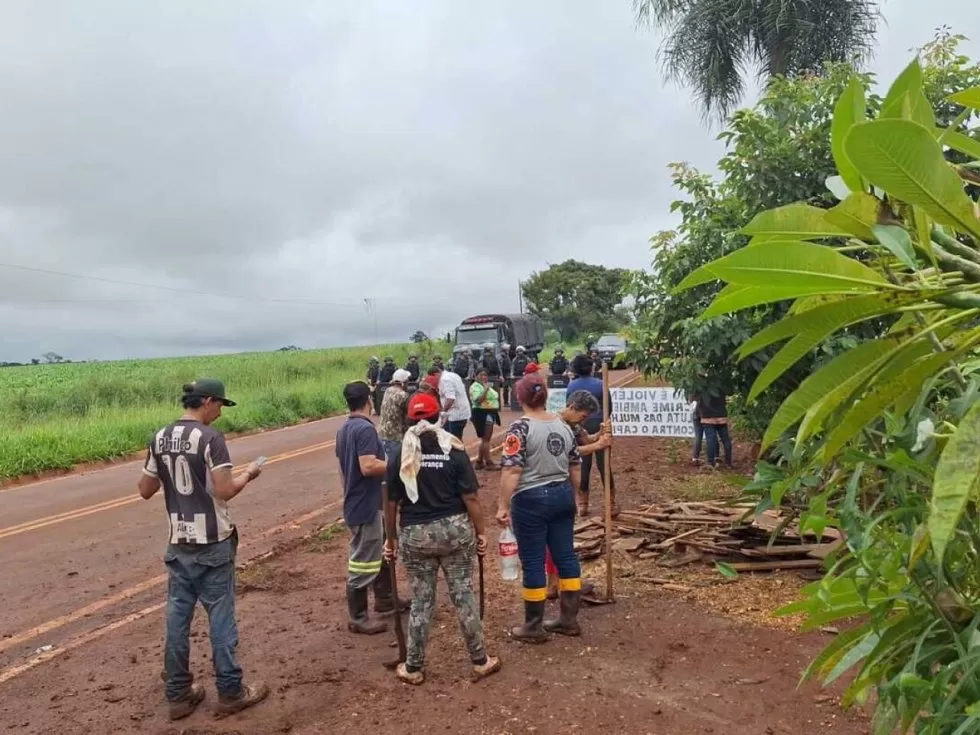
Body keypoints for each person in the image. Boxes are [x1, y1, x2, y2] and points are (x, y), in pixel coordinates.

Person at [138, 378, 268, 721]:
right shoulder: (211, 439)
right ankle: (231, 691)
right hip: (213, 543)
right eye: (220, 405)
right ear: (207, 401)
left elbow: (145, 488)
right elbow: (224, 490)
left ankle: (179, 694)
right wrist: (249, 475)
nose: (221, 413)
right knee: (221, 619)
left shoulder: (160, 436)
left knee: (177, 620)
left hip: (178, 544)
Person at [384, 392, 501, 685]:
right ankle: (480, 660)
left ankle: (412, 667)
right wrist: (482, 533)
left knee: (422, 601)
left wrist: (391, 540)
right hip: (455, 533)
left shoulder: (400, 453)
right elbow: (470, 497)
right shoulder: (455, 449)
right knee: (462, 593)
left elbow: (391, 503)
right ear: (439, 417)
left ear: (409, 420)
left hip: (415, 535)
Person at [496, 373, 583, 643]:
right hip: (562, 495)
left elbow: (512, 471)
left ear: (519, 398)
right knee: (566, 557)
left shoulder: (520, 429)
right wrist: (575, 496)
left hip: (531, 499)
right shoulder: (563, 426)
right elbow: (576, 465)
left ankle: (533, 626)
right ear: (544, 397)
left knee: (533, 561)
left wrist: (502, 505)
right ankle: (568, 620)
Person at [336, 381, 407, 636]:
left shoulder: (345, 429)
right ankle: (358, 616)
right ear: (369, 400)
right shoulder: (364, 430)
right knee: (364, 559)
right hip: (365, 504)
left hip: (357, 500)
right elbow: (367, 466)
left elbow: (344, 469)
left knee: (379, 549)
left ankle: (385, 597)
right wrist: (394, 465)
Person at [567, 355, 617, 518]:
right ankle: (611, 503)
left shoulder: (572, 385)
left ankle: (583, 504)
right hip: (600, 425)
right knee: (604, 465)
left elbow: (569, 407)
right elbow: (609, 408)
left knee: (583, 465)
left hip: (580, 426)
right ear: (591, 368)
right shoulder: (601, 384)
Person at [469, 368, 501, 471]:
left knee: (485, 439)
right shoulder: (475, 387)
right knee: (486, 439)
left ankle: (479, 462)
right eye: (481, 375)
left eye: (485, 375)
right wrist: (486, 389)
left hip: (488, 413)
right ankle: (489, 462)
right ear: (476, 376)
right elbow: (478, 400)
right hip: (481, 413)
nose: (484, 377)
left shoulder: (484, 385)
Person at [379, 369, 412, 458]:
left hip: (383, 434)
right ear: (403, 382)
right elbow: (409, 416)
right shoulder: (403, 395)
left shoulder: (388, 390)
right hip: (396, 437)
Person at [436, 363, 471, 439]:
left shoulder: (444, 379)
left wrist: (442, 412)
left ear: (437, 373)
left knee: (453, 442)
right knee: (456, 440)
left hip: (454, 415)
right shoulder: (453, 375)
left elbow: (450, 398)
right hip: (461, 412)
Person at [699, 390, 733, 468]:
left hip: (707, 416)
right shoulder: (720, 382)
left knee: (711, 441)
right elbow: (730, 392)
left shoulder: (701, 385)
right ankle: (728, 463)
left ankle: (711, 463)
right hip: (721, 415)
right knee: (726, 440)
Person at [688, 392, 704, 465]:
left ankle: (695, 458)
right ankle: (715, 457)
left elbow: (690, 399)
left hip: (696, 414)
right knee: (711, 435)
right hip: (705, 414)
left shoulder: (692, 388)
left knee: (698, 436)